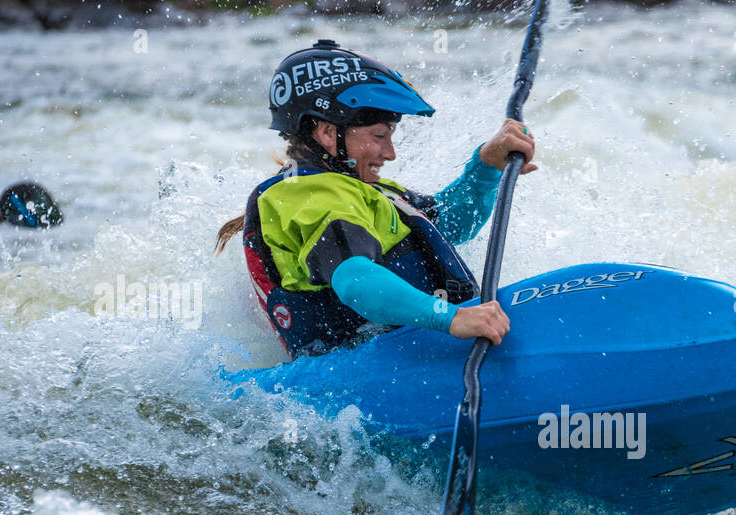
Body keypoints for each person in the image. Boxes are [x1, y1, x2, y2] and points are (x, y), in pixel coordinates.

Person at [216, 38, 537, 360]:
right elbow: (355, 280)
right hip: (360, 374)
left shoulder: (365, 191)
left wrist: (485, 167)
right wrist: (452, 317)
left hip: (401, 356)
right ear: (328, 133)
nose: (390, 153)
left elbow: (451, 226)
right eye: (379, 136)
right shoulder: (307, 193)